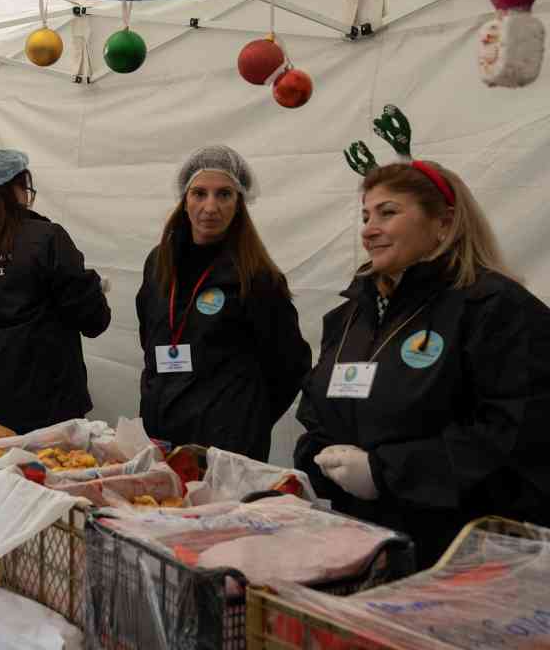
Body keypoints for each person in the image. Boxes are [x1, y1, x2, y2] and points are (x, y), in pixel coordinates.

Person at [295, 160, 550, 568]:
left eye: (388, 212)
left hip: (458, 557)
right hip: (360, 546)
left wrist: (385, 473)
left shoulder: (495, 308)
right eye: (365, 215)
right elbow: (316, 408)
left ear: (443, 223)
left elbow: (515, 438)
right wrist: (318, 455)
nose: (369, 228)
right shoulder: (349, 318)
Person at [137, 146, 310, 461]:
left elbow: (291, 364)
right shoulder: (159, 263)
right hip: (161, 435)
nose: (210, 206)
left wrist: (245, 417)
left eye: (224, 195)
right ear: (184, 199)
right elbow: (150, 339)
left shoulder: (257, 276)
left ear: (240, 203)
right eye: (199, 193)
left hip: (225, 446)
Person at [0, 150, 111, 434]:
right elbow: (94, 321)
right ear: (14, 190)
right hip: (46, 410)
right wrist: (90, 287)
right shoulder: (44, 239)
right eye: (26, 189)